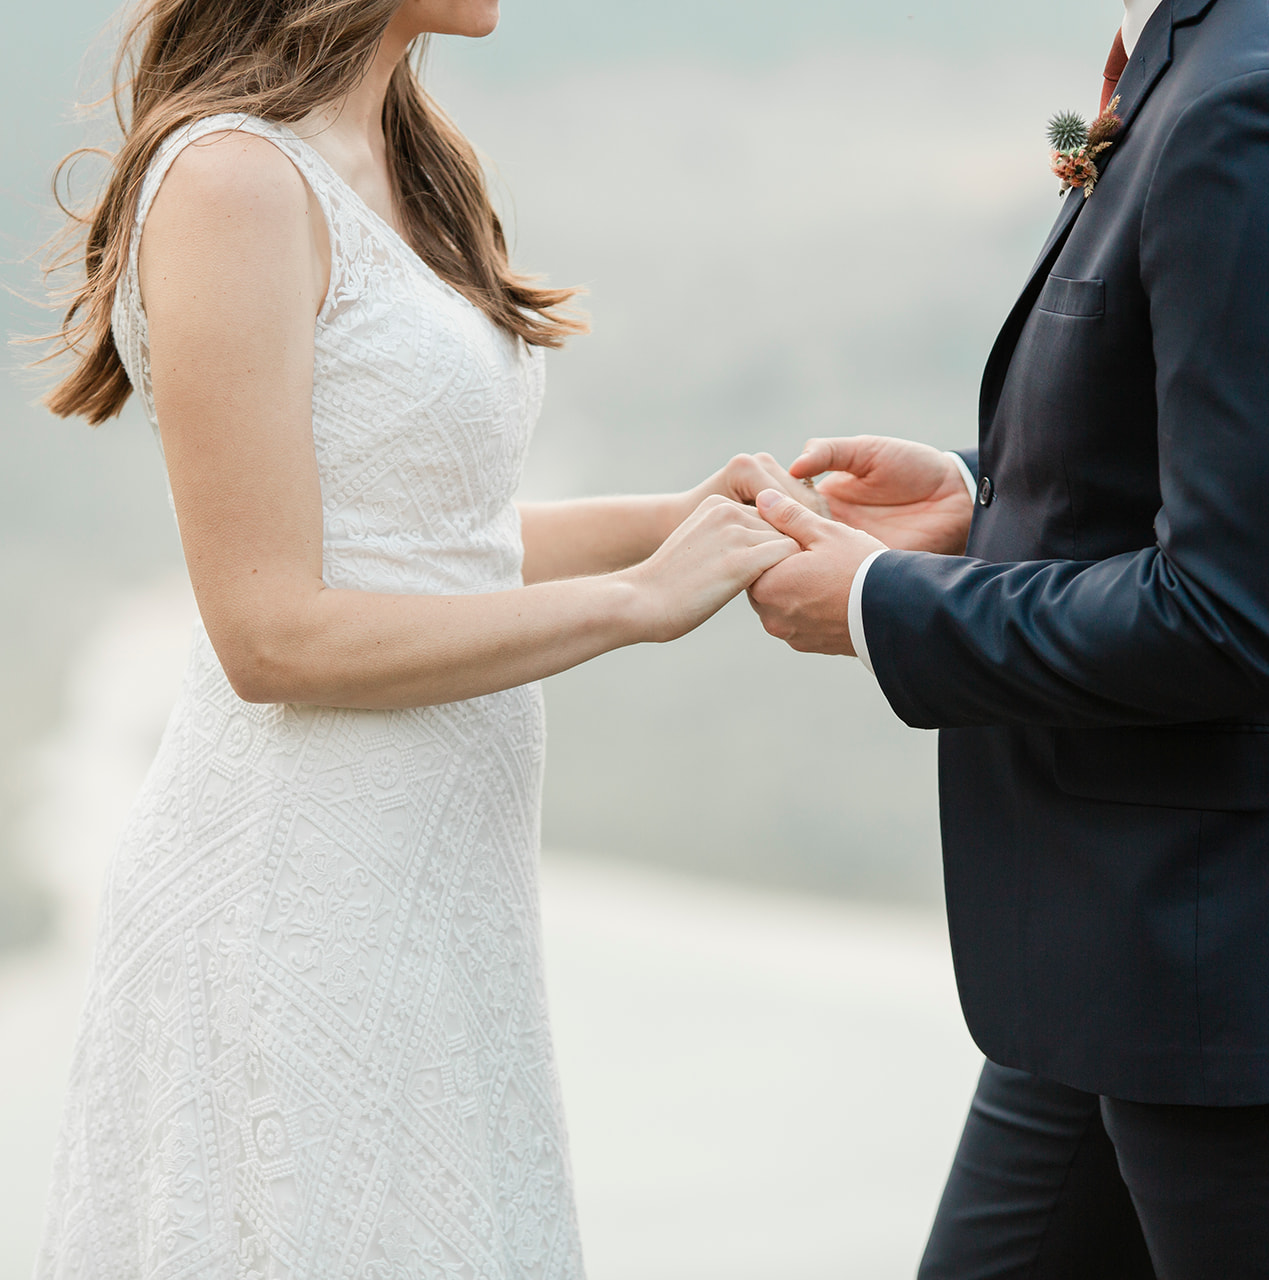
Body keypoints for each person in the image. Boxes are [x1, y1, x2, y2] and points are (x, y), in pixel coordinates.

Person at [747, 0, 1269, 1275]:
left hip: (1241, 954)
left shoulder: (1264, 96)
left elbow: (1239, 618)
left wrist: (872, 606)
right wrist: (989, 501)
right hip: (1137, 932)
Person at [32, 1, 813, 1275]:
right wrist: (635, 605)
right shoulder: (231, 178)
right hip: (294, 901)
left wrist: (684, 519)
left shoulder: (410, 152)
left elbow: (430, 536)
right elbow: (270, 634)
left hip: (440, 892)